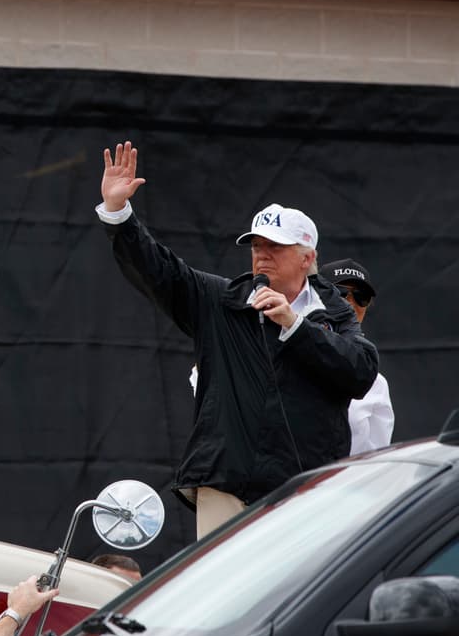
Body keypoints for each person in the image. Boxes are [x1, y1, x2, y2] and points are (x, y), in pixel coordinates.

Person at [97, 141, 379, 538]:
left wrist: (295, 326)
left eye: (275, 247)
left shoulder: (334, 313)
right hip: (226, 484)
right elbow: (158, 270)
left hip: (302, 492)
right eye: (256, 246)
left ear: (306, 257)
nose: (261, 254)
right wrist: (119, 214)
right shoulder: (222, 301)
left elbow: (361, 372)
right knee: (222, 577)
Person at [319, 258, 394, 453]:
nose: (350, 304)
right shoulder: (288, 355)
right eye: (339, 293)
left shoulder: (375, 382)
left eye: (361, 296)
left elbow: (375, 458)